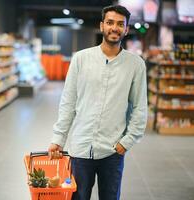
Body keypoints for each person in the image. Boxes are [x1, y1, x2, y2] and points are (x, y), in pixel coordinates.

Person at [48, 5, 148, 200]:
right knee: (78, 197)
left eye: (120, 24)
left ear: (126, 30)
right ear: (102, 26)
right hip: (81, 149)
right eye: (110, 22)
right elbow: (68, 102)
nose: (115, 28)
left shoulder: (136, 65)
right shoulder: (80, 59)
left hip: (112, 151)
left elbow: (139, 107)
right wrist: (58, 139)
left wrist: (126, 142)